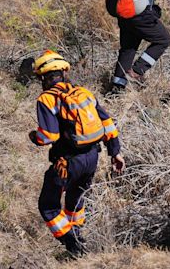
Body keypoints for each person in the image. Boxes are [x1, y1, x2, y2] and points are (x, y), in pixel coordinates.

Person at [29, 50, 125, 256]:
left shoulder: (47, 99)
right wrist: (115, 152)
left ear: (42, 77)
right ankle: (79, 236)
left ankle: (74, 246)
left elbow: (49, 136)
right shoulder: (84, 93)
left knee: (48, 206)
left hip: (68, 162)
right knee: (75, 199)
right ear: (64, 72)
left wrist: (34, 137)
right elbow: (107, 122)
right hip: (92, 158)